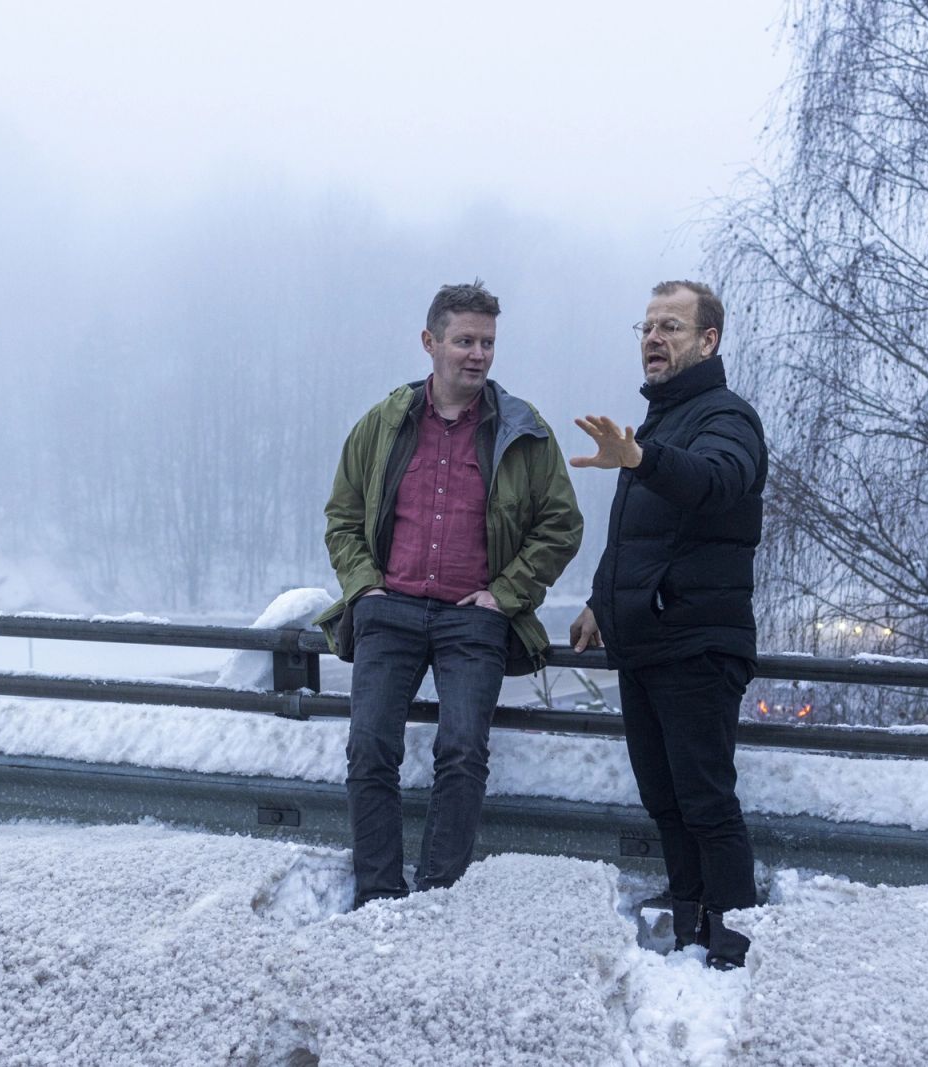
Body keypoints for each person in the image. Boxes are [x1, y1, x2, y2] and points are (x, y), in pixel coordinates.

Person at [316, 280, 583, 910]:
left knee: (462, 751)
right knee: (369, 748)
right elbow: (342, 517)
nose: (478, 354)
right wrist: (365, 586)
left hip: (474, 618)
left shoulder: (522, 429)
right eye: (464, 341)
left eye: (487, 342)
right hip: (390, 610)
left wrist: (505, 594)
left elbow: (561, 525)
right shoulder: (385, 424)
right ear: (429, 342)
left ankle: (438, 897)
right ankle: (379, 895)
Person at [568, 280, 767, 970]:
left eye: (671, 327)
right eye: (647, 327)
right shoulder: (658, 424)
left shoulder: (727, 418)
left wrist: (643, 460)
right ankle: (691, 930)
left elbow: (716, 480)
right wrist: (601, 600)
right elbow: (638, 538)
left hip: (697, 645)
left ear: (708, 341)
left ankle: (734, 947)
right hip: (649, 644)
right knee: (666, 802)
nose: (653, 338)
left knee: (706, 802)